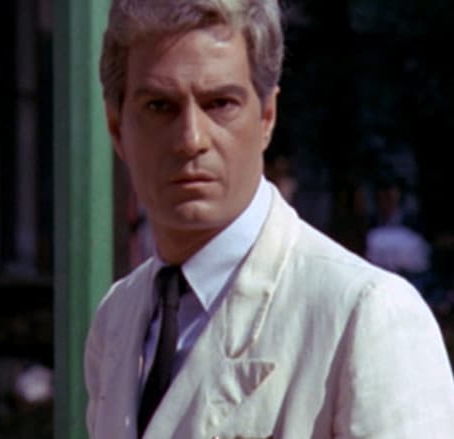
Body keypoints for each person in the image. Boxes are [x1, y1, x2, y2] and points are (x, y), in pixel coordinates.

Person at [84, 1, 454, 438]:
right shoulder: (118, 317)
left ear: (266, 117)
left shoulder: (364, 313)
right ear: (116, 128)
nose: (191, 139)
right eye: (160, 106)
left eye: (220, 103)